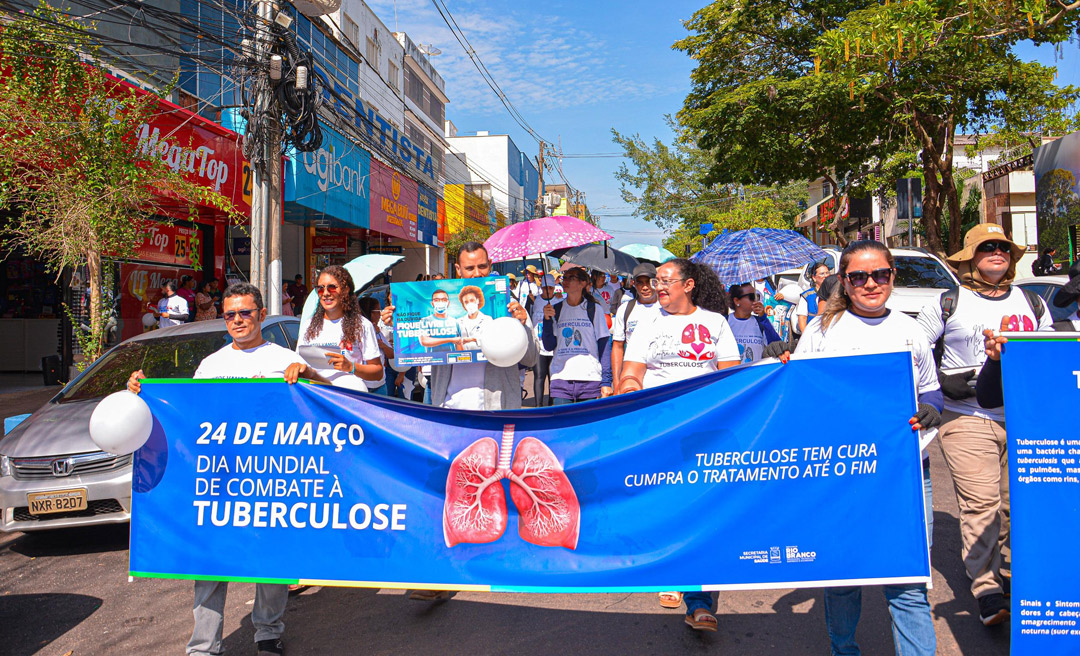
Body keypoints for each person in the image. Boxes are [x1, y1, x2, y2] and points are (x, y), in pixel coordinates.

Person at [127, 283, 328, 656]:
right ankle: (203, 647)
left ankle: (268, 632)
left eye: (245, 313)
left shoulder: (284, 357)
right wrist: (145, 395)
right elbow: (188, 418)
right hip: (221, 478)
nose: (238, 320)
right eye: (230, 314)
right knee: (209, 562)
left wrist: (310, 375)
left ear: (261, 314)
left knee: (270, 561)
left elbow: (328, 401)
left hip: (272, 477)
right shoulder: (211, 365)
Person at [774, 240, 942, 656]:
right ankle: (843, 649)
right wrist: (783, 368)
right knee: (843, 579)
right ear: (844, 283)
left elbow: (933, 393)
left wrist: (929, 411)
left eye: (880, 274)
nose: (871, 283)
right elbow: (801, 398)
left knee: (906, 584)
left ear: (892, 277)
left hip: (903, 475)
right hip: (840, 477)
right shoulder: (822, 330)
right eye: (859, 276)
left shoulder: (911, 330)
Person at [380, 241, 537, 600]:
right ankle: (437, 577)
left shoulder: (509, 308)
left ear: (491, 267)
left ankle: (501, 562)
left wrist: (523, 324)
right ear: (458, 273)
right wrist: (392, 329)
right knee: (445, 492)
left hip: (497, 413)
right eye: (469, 269)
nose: (477, 274)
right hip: (450, 414)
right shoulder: (441, 313)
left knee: (498, 488)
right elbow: (401, 364)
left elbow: (528, 358)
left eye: (482, 267)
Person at [915, 223, 1050, 626]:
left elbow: (1045, 357)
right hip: (968, 417)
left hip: (1024, 420)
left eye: (1004, 248)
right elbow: (915, 353)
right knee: (981, 505)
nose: (997, 253)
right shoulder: (947, 303)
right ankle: (987, 588)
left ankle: (1008, 575)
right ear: (970, 256)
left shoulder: (1032, 302)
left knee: (1014, 506)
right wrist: (942, 385)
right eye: (987, 247)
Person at [619, 258, 741, 630]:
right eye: (656, 281)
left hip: (704, 430)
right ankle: (672, 575)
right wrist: (629, 391)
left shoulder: (715, 322)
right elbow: (632, 371)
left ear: (688, 285)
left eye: (666, 280)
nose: (658, 286)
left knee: (699, 508)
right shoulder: (647, 323)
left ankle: (699, 601)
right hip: (660, 428)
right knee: (667, 504)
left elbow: (731, 374)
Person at [297, 265, 385, 393]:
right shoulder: (308, 325)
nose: (326, 293)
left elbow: (377, 372)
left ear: (345, 290)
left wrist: (351, 367)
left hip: (349, 399)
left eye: (332, 287)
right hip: (317, 397)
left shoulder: (362, 325)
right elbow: (300, 364)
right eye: (320, 289)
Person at [541, 267, 612, 403]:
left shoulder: (594, 309)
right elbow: (549, 345)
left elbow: (604, 346)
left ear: (583, 283)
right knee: (563, 424)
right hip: (560, 379)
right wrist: (547, 320)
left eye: (571, 278)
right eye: (564, 278)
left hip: (589, 379)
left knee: (588, 424)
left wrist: (606, 381)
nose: (565, 281)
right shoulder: (556, 309)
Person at [611, 263, 660, 391]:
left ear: (656, 282)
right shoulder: (625, 309)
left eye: (648, 282)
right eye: (640, 283)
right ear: (634, 283)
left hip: (660, 377)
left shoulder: (666, 307)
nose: (645, 287)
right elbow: (617, 346)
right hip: (632, 377)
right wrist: (616, 383)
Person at [727, 283, 782, 363]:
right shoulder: (726, 322)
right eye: (752, 297)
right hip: (735, 373)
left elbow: (777, 345)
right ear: (736, 301)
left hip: (756, 373)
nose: (756, 301)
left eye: (757, 296)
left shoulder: (760, 322)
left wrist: (763, 318)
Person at [530, 274, 559, 406]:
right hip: (538, 346)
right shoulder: (534, 301)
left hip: (553, 346)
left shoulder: (559, 301)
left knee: (553, 378)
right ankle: (538, 406)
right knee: (539, 376)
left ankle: (551, 406)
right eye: (545, 288)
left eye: (551, 288)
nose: (548, 290)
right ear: (541, 288)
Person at [796, 262, 830, 333]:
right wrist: (805, 335)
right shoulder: (807, 296)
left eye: (827, 273)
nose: (826, 276)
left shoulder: (835, 292)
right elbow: (802, 317)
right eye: (822, 274)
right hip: (813, 332)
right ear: (814, 278)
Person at [455, 285, 492, 352]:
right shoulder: (459, 322)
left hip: (483, 356)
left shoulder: (487, 320)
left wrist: (473, 339)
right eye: (466, 302)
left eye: (472, 300)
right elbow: (457, 343)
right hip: (464, 358)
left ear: (477, 300)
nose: (469, 304)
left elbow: (491, 339)